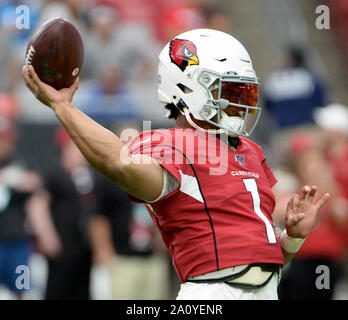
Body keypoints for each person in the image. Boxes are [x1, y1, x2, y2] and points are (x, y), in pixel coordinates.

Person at [22, 28, 330, 300]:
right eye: (230, 92)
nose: (240, 104)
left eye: (245, 93)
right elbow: (117, 163)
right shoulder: (171, 144)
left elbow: (263, 259)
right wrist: (62, 107)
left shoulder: (250, 150)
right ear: (187, 88)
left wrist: (291, 238)